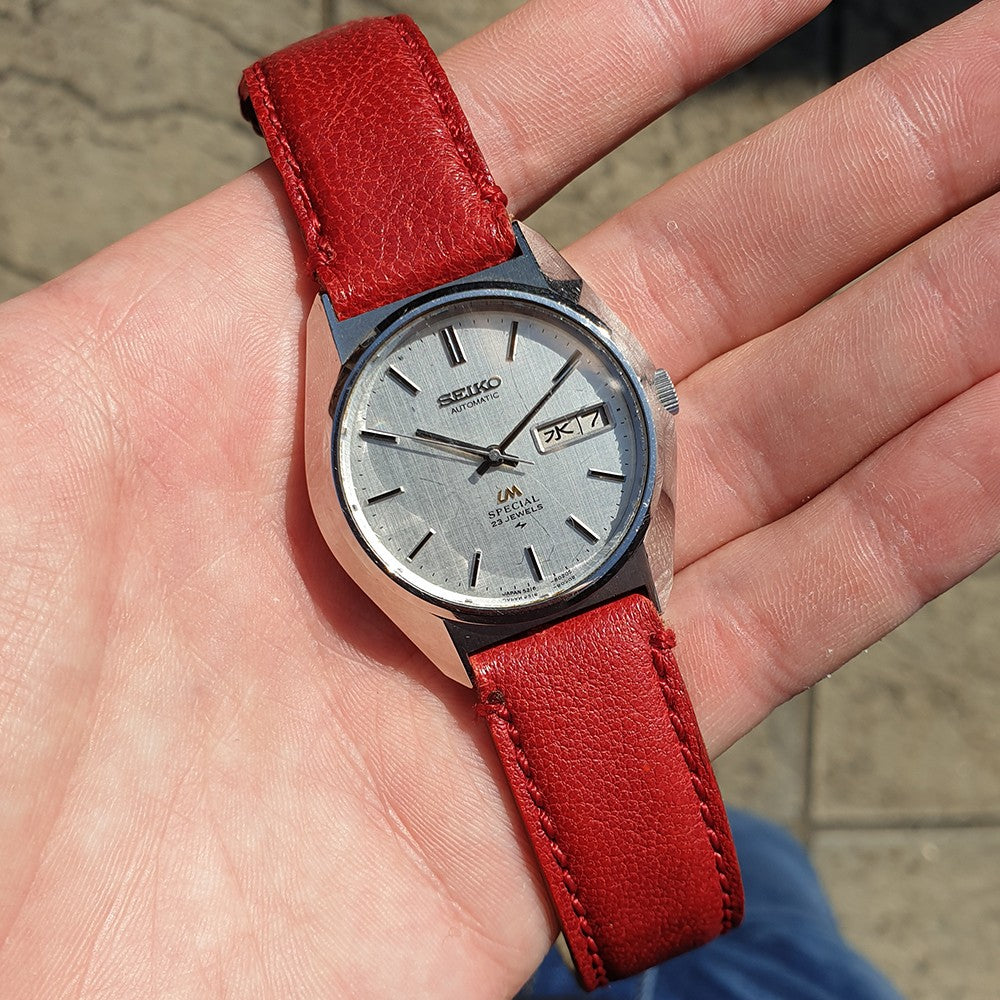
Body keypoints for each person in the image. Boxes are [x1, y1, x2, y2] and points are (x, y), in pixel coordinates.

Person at [0, 0, 996, 996]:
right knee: (776, 910)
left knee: (760, 900)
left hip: (592, 595)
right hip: (518, 628)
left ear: (643, 394)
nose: (491, 456)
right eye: (463, 450)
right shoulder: (352, 365)